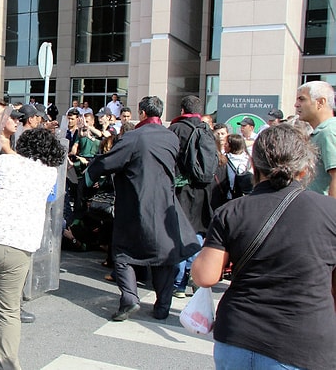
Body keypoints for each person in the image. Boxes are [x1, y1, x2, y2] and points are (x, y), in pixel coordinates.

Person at [191, 124, 336, 370]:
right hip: (304, 339)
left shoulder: (231, 211)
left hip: (237, 334)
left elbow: (204, 276)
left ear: (253, 164)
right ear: (304, 169)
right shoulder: (330, 212)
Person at [84, 96, 199, 321]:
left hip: (137, 205)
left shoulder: (134, 137)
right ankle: (163, 305)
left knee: (123, 254)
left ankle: (130, 299)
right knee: (163, 257)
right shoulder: (170, 137)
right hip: (166, 205)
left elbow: (108, 162)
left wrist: (89, 175)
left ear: (143, 114)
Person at [0, 127, 65, 370]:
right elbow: (49, 200)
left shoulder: (2, 162)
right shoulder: (50, 174)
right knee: (7, 309)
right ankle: (6, 364)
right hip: (17, 245)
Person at [168, 95, 214, 299]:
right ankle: (194, 275)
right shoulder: (206, 130)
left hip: (181, 188)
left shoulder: (176, 129)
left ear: (181, 110)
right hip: (203, 189)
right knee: (196, 233)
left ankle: (178, 283)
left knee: (178, 233)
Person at [295, 80, 336, 197]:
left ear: (320, 102)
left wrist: (331, 212)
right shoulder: (320, 132)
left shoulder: (329, 131)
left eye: (301, 99)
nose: (296, 104)